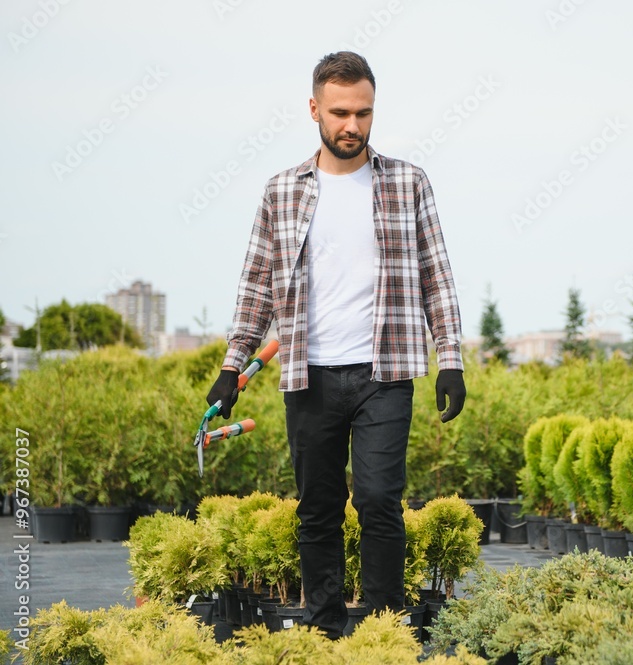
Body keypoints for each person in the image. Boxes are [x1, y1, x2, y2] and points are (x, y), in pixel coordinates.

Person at [206, 51, 466, 639]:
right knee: (317, 510)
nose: (353, 125)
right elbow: (256, 285)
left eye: (364, 114)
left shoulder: (407, 182)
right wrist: (231, 368)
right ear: (315, 109)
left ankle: (382, 632)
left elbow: (437, 275)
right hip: (309, 375)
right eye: (341, 113)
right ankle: (323, 633)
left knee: (379, 499)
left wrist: (449, 359)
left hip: (385, 370)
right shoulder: (282, 192)